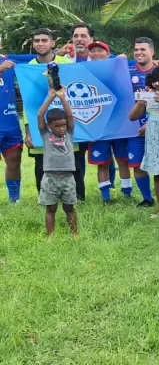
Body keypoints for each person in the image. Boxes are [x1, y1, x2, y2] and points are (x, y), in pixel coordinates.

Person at [24, 29, 86, 202]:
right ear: (33, 44)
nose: (40, 43)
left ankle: (77, 199)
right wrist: (28, 131)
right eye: (37, 40)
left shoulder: (66, 63)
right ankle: (46, 200)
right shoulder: (28, 68)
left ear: (53, 43)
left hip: (65, 126)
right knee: (41, 165)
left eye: (44, 40)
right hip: (42, 127)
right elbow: (29, 104)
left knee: (73, 164)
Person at [87, 41, 133, 202]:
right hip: (98, 126)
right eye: (93, 51)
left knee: (123, 160)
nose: (97, 53)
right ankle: (105, 197)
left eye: (101, 50)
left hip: (120, 125)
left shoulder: (118, 68)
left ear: (108, 54)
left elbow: (136, 63)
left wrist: (121, 60)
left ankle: (127, 193)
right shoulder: (85, 71)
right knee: (102, 163)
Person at [130, 67, 159, 216]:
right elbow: (132, 117)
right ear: (154, 83)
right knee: (157, 174)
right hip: (153, 140)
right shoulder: (148, 97)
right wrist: (140, 104)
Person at [37, 88, 78, 236]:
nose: (61, 129)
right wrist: (50, 98)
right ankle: (50, 236)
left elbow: (69, 114)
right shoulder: (45, 135)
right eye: (57, 126)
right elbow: (40, 114)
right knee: (51, 208)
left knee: (69, 208)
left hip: (68, 178)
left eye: (63, 125)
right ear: (49, 126)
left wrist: (62, 98)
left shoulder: (69, 134)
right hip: (50, 178)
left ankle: (75, 234)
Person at [127, 37, 159, 207]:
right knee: (137, 163)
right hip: (133, 125)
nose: (139, 52)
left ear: (152, 52)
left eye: (143, 49)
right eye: (136, 49)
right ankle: (147, 198)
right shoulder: (127, 70)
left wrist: (152, 122)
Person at [0, 55, 22, 202]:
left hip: (10, 121)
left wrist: (59, 51)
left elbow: (38, 59)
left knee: (14, 161)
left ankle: (14, 200)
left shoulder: (9, 59)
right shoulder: (4, 65)